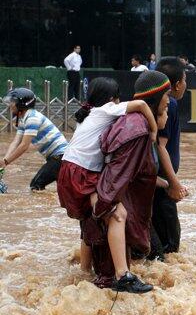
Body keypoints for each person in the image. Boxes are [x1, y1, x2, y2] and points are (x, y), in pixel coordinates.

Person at [57, 77, 159, 272]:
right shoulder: (107, 110)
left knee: (90, 218)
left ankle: (85, 272)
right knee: (117, 214)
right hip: (82, 172)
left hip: (68, 171)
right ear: (113, 99)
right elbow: (141, 104)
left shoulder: (87, 116)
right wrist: (153, 130)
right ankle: (123, 274)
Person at [84, 70, 172, 292]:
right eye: (167, 95)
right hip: (113, 216)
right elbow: (115, 176)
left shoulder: (139, 125)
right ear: (155, 97)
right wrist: (104, 211)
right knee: (108, 285)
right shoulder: (136, 128)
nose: (169, 101)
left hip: (118, 213)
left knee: (102, 283)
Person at [150, 57, 189, 260]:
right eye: (185, 80)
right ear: (176, 85)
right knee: (171, 245)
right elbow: (161, 146)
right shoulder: (170, 104)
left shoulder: (161, 102)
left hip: (157, 180)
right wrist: (174, 184)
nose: (186, 85)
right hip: (162, 182)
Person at [0, 88, 68, 190]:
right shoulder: (23, 118)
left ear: (21, 104)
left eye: (13, 102)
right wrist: (4, 160)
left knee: (36, 185)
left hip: (60, 156)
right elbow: (16, 142)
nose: (10, 105)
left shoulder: (32, 118)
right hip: (56, 157)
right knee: (61, 190)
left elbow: (23, 146)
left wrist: (7, 162)